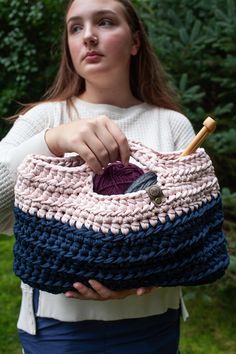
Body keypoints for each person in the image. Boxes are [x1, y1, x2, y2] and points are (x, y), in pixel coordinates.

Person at [0, 0, 195, 353]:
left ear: (135, 42)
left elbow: (190, 226)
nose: (88, 36)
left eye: (104, 22)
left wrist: (147, 272)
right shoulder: (43, 120)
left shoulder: (172, 125)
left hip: (151, 326)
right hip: (57, 328)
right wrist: (50, 142)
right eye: (76, 27)